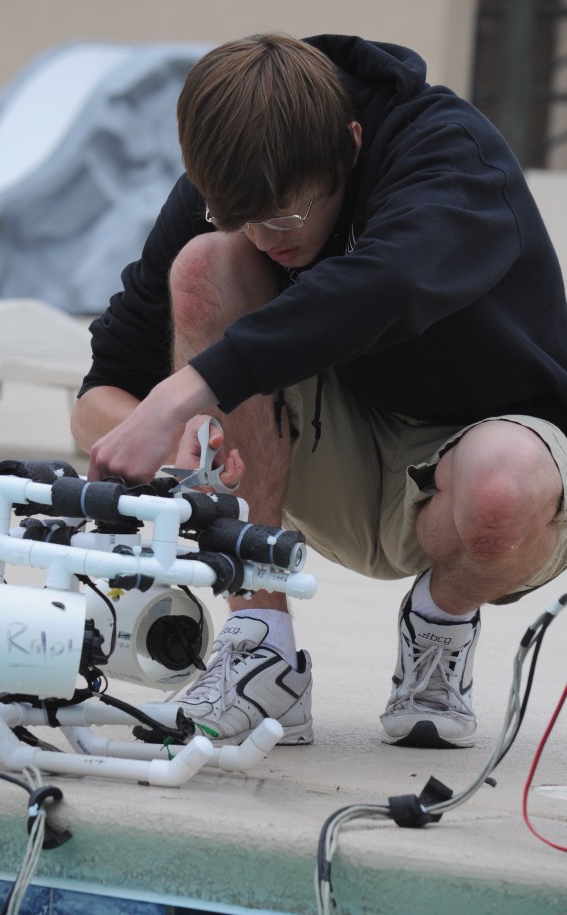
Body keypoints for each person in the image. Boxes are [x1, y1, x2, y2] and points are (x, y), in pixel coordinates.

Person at [71, 33, 567, 750]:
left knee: (504, 485)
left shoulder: (450, 154)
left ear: (351, 144)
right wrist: (179, 435)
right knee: (205, 264)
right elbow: (102, 392)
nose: (266, 236)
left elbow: (384, 285)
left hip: (479, 469)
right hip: (323, 454)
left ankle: (441, 618)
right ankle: (262, 647)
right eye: (244, 215)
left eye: (288, 217)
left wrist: (186, 391)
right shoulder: (231, 189)